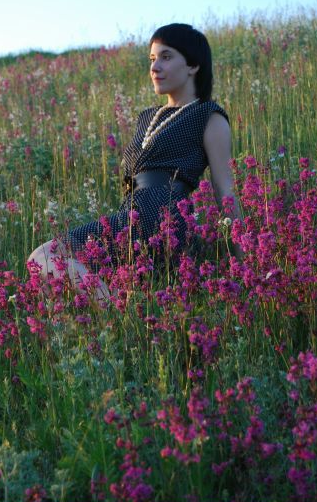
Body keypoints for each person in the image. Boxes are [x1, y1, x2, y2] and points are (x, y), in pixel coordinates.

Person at [28, 23, 242, 298]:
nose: (155, 67)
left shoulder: (208, 115)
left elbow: (225, 190)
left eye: (166, 57)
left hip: (163, 219)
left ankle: (110, 309)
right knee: (44, 264)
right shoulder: (147, 117)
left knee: (45, 257)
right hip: (129, 217)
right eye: (152, 59)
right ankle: (112, 307)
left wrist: (245, 262)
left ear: (193, 65)